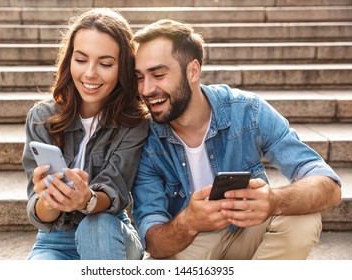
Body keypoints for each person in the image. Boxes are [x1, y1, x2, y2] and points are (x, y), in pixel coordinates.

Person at [131, 19, 342, 260]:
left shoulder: (247, 111)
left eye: (158, 74)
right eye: (139, 77)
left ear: (193, 70)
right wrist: (189, 221)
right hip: (189, 243)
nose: (146, 90)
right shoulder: (145, 139)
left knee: (303, 217)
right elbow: (153, 242)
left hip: (247, 231)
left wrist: (273, 200)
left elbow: (328, 185)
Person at [22, 8, 149, 260]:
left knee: (96, 226)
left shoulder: (134, 123)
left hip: (110, 230)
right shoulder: (41, 118)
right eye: (81, 60)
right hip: (56, 239)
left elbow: (116, 191)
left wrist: (85, 199)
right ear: (69, 60)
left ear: (122, 67)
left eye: (105, 63)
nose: (90, 73)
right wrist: (49, 199)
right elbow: (38, 214)